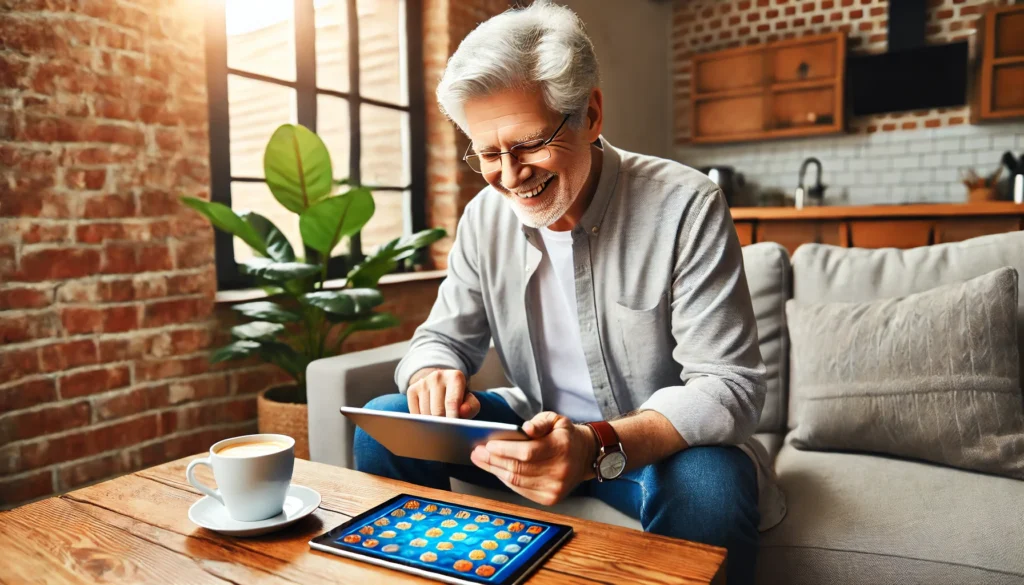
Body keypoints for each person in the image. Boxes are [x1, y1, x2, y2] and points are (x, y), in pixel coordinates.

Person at [354, 2, 785, 582]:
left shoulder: (685, 205)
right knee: (386, 420)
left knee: (711, 481)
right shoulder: (485, 218)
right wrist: (432, 372)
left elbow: (728, 385)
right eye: (487, 153)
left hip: (650, 451)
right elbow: (441, 339)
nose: (510, 175)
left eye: (531, 143)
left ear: (592, 114)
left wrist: (593, 443)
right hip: (534, 428)